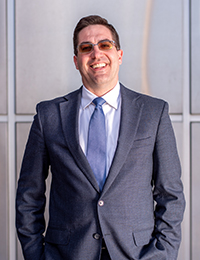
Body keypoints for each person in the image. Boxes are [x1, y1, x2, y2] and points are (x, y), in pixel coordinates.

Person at [16, 15, 185, 260]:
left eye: (105, 45)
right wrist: (36, 255)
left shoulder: (152, 112)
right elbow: (28, 195)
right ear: (76, 61)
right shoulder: (49, 115)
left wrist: (162, 255)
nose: (96, 54)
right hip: (66, 254)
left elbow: (170, 194)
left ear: (119, 54)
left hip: (137, 254)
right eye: (86, 48)